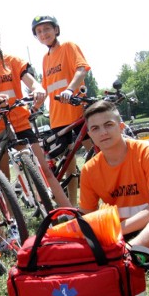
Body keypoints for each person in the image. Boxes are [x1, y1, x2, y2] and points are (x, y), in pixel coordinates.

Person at [0, 20, 70, 208]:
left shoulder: (13, 62)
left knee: (44, 169)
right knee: (1, 179)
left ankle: (68, 210)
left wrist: (37, 89)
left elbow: (33, 83)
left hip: (19, 121)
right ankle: (11, 225)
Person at [78, 100, 149, 254]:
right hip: (116, 233)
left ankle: (124, 257)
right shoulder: (89, 170)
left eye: (109, 124)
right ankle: (125, 256)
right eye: (95, 128)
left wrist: (119, 230)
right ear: (90, 135)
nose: (103, 132)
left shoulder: (148, 152)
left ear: (121, 127)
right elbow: (88, 218)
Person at [32, 15, 90, 206]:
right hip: (58, 119)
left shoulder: (68, 47)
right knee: (69, 168)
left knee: (96, 157)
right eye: (39, 32)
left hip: (78, 113)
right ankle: (72, 207)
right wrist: (33, 107)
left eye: (47, 29)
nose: (44, 34)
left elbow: (81, 69)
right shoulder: (45, 59)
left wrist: (70, 89)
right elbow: (46, 87)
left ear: (56, 30)